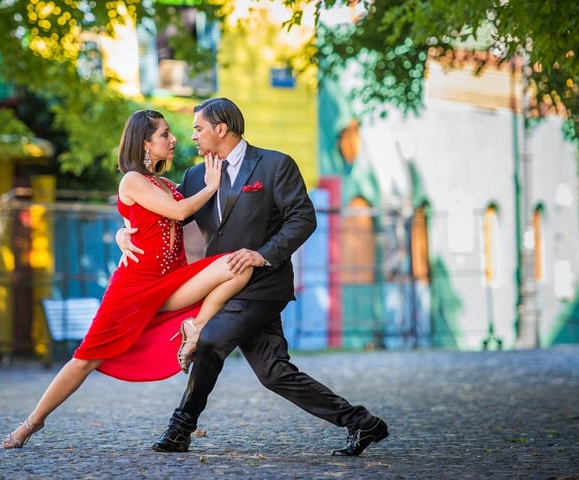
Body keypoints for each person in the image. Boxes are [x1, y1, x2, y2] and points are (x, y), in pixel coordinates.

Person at [117, 97, 388, 457]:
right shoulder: (196, 176)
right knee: (274, 372)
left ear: (222, 129)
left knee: (210, 341)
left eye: (199, 128)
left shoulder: (276, 165)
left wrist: (263, 254)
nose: (193, 136)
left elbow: (303, 219)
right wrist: (124, 232)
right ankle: (362, 422)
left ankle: (180, 428)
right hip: (224, 287)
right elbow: (164, 217)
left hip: (264, 285)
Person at [2, 109, 252, 449]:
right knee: (85, 359)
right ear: (145, 143)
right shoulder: (131, 179)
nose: (174, 138)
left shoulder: (164, 183)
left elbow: (152, 216)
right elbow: (179, 212)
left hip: (174, 281)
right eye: (165, 134)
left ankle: (194, 327)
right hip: (134, 288)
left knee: (240, 265)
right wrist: (211, 187)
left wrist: (125, 230)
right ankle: (32, 423)